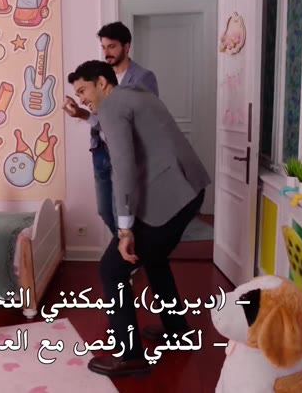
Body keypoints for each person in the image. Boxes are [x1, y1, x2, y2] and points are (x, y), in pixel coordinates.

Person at [67, 60, 211, 377]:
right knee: (155, 258)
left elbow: (123, 167)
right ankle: (177, 330)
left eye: (83, 90)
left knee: (111, 269)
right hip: (189, 189)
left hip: (170, 197)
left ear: (101, 82)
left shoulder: (112, 107)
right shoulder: (137, 94)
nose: (82, 99)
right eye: (77, 94)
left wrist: (125, 229)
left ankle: (129, 356)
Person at [63, 21, 159, 237]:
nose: (107, 53)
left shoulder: (143, 78)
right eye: (103, 47)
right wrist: (82, 113)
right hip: (100, 150)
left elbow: (145, 119)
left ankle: (124, 251)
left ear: (126, 46)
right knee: (105, 211)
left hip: (125, 150)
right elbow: (103, 117)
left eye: (112, 46)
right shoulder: (97, 75)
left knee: (121, 212)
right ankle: (123, 246)